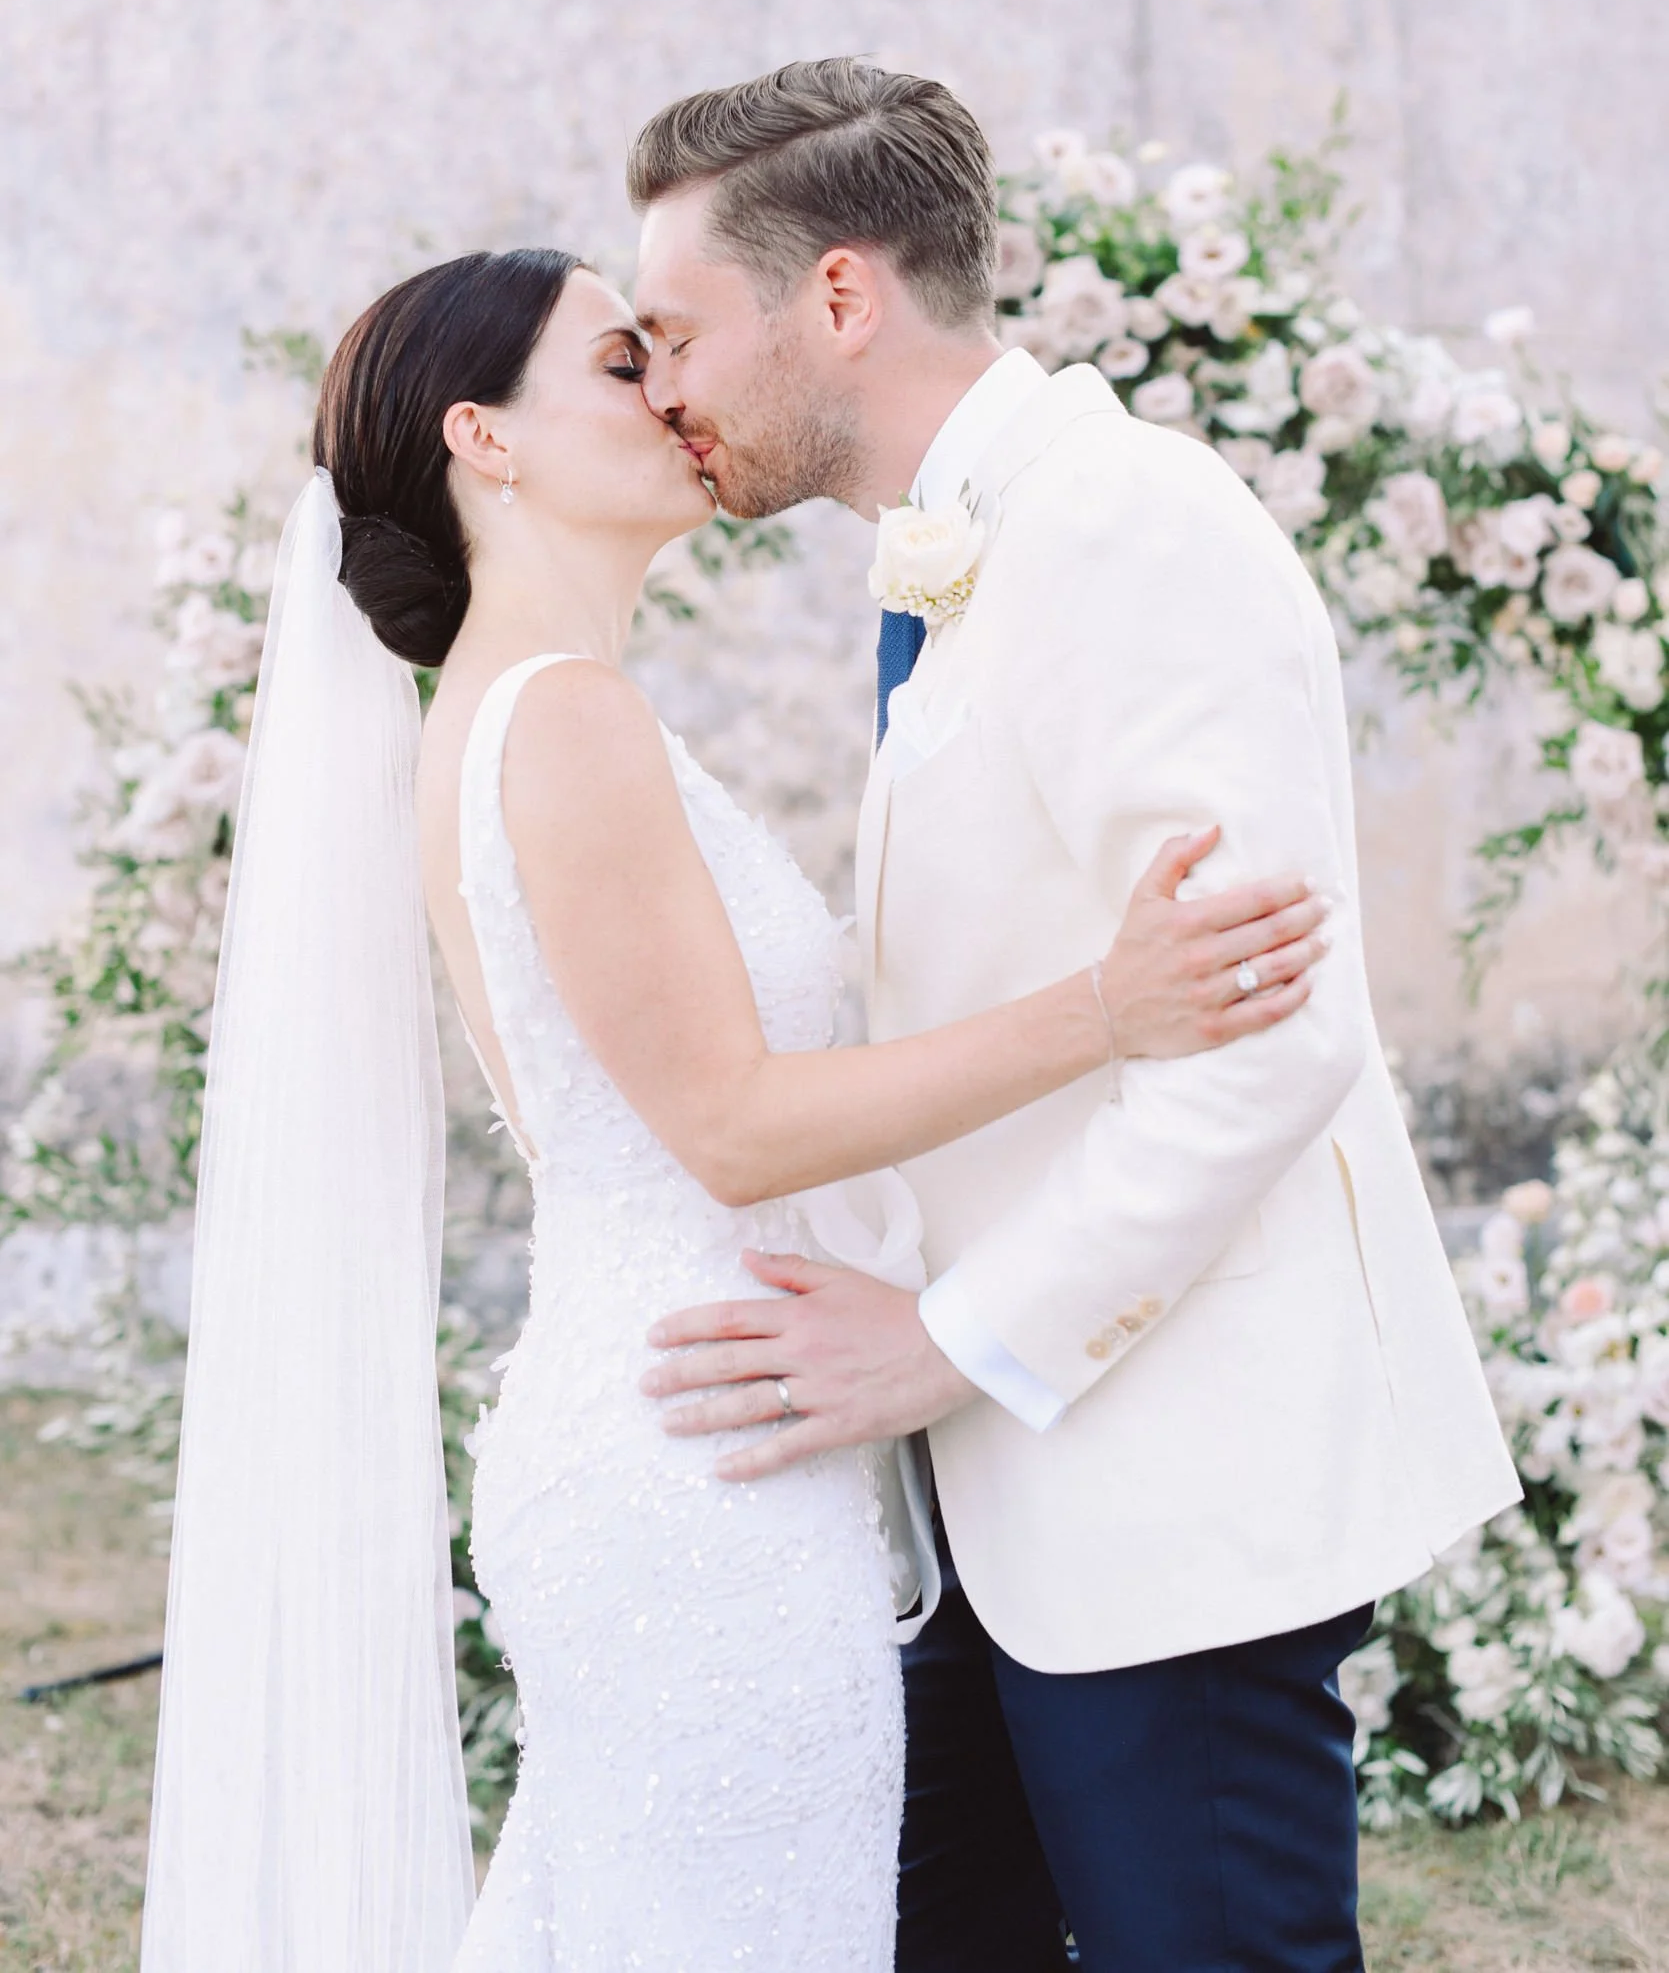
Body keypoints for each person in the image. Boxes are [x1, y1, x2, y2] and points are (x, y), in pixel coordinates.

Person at [140, 243, 1326, 1973]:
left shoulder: (530, 716)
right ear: (490, 438)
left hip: (700, 1422)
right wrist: (1106, 1008)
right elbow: (735, 1127)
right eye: (624, 364)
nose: (678, 395)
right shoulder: (564, 724)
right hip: (700, 1470)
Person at [624, 59, 1523, 1973]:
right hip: (1008, 1511)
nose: (666, 389)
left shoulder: (1129, 530)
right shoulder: (963, 545)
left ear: (841, 298)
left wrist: (944, 1344)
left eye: (683, 330)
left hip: (1168, 1485)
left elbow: (1270, 1042)